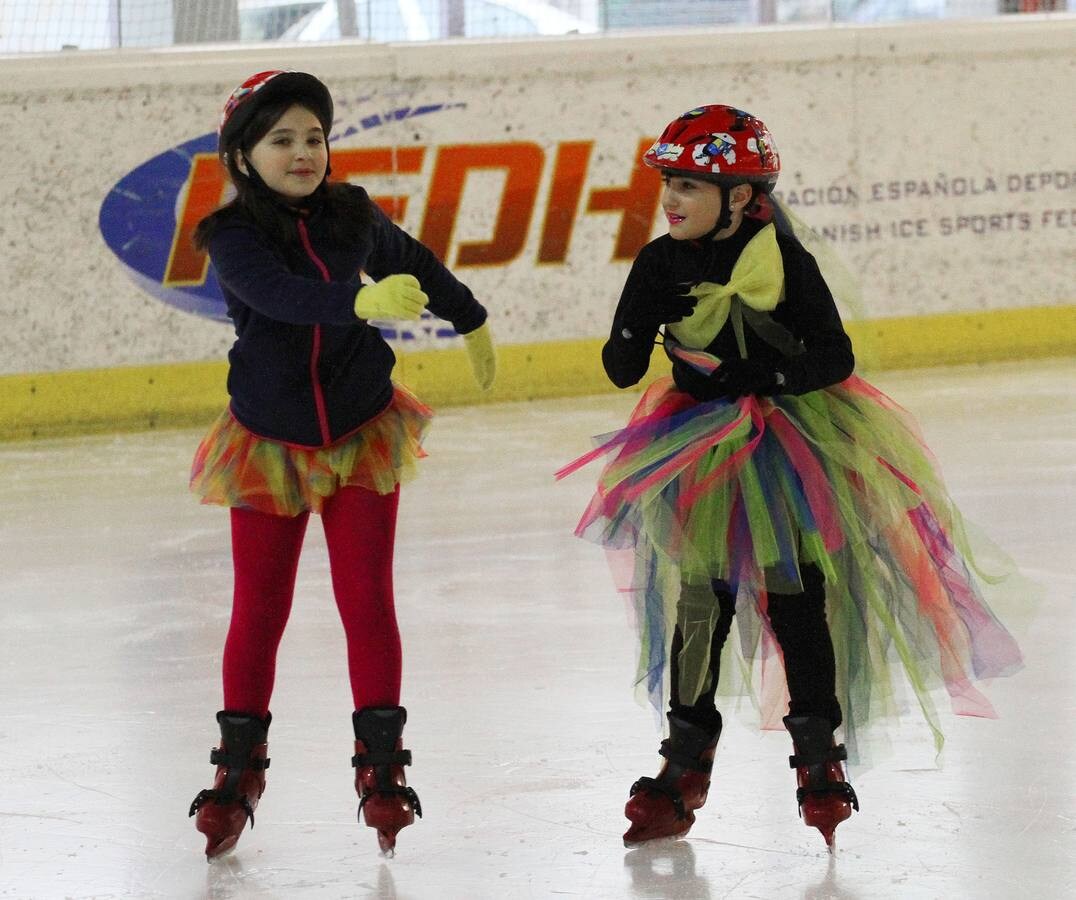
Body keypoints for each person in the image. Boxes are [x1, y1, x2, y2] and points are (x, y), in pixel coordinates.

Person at [556, 105, 1023, 849]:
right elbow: (620, 367)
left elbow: (834, 354)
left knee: (795, 599)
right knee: (699, 607)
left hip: (782, 441)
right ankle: (684, 760)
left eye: (691, 186)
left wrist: (767, 373)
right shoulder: (657, 261)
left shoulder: (783, 257)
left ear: (741, 197)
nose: (671, 200)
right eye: (668, 184)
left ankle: (817, 755)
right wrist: (632, 330)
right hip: (696, 448)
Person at [185, 70, 496, 860]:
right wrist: (356, 303)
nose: (302, 152)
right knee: (261, 607)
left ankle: (383, 765)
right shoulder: (232, 236)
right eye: (281, 138)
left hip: (361, 426)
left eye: (315, 137)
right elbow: (277, 294)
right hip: (270, 438)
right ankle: (236, 768)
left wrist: (469, 315)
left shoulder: (352, 213)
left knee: (367, 598)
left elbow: (414, 259)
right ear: (244, 155)